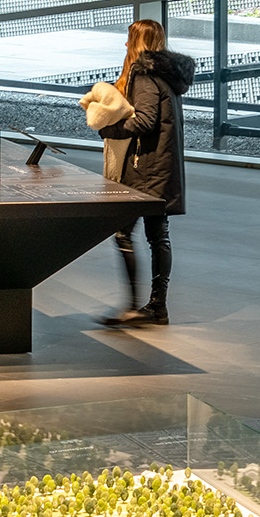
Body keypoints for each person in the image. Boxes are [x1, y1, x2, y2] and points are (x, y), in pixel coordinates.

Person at [96, 19, 195, 327]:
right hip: (162, 166)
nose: (126, 44)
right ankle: (156, 307)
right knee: (158, 235)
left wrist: (109, 129)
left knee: (124, 232)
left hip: (146, 169)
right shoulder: (168, 75)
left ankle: (136, 307)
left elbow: (145, 120)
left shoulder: (144, 74)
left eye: (130, 39)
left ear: (138, 42)